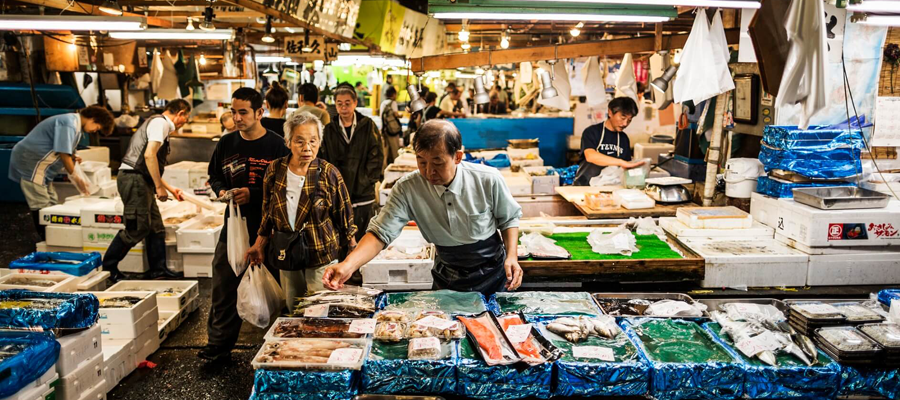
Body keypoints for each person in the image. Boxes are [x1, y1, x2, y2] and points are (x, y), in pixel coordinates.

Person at [323, 120, 523, 295]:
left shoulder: (488, 179)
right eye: (422, 161)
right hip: (448, 274)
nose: (429, 171)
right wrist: (348, 265)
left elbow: (508, 219)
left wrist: (512, 256)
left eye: (438, 162)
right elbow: (379, 233)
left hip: (493, 273)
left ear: (458, 157)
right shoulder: (407, 188)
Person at [200, 88, 290, 362]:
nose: (236, 118)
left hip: (270, 229)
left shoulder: (276, 146)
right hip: (234, 226)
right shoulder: (226, 144)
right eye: (233, 111)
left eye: (243, 112)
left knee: (276, 286)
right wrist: (220, 191)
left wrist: (254, 194)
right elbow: (214, 176)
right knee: (224, 284)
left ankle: (279, 345)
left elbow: (287, 186)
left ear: (259, 112)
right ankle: (219, 345)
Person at [246, 111, 358, 309]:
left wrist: (352, 248)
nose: (307, 148)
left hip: (321, 251)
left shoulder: (328, 173)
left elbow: (344, 213)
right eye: (299, 141)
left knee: (320, 309)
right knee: (294, 307)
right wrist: (259, 244)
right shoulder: (275, 170)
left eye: (313, 141)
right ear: (288, 142)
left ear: (319, 142)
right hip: (287, 251)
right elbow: (268, 212)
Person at [102, 99, 191, 282]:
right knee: (137, 228)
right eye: (186, 118)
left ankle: (158, 270)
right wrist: (159, 188)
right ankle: (109, 269)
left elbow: (151, 165)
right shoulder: (161, 123)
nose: (184, 123)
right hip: (134, 180)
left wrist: (169, 188)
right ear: (180, 113)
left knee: (155, 227)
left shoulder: (158, 124)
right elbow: (149, 155)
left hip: (141, 179)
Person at [9, 106, 115, 240]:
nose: (94, 131)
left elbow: (64, 150)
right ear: (93, 119)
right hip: (32, 162)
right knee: (41, 203)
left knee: (52, 201)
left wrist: (73, 157)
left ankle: (56, 235)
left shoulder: (75, 126)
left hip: (42, 166)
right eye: (97, 128)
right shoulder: (69, 123)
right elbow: (64, 154)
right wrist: (78, 179)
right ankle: (47, 238)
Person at [319, 87, 384, 242]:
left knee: (363, 239)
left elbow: (377, 156)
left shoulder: (368, 125)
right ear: (334, 105)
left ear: (355, 103)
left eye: (347, 103)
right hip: (337, 195)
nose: (343, 108)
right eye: (339, 103)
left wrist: (366, 181)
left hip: (364, 196)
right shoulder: (329, 130)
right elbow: (324, 160)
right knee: (340, 240)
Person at [573, 97, 645, 186]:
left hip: (608, 187)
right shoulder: (592, 132)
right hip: (584, 186)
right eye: (623, 118)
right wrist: (620, 162)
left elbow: (625, 168)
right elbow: (590, 156)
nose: (625, 124)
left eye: (629, 120)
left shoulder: (624, 139)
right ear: (610, 112)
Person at [380, 86, 403, 164]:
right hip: (392, 130)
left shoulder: (383, 103)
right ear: (393, 94)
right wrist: (401, 115)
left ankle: (383, 170)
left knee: (385, 151)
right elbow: (396, 114)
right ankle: (396, 166)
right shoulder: (392, 103)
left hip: (384, 129)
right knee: (394, 150)